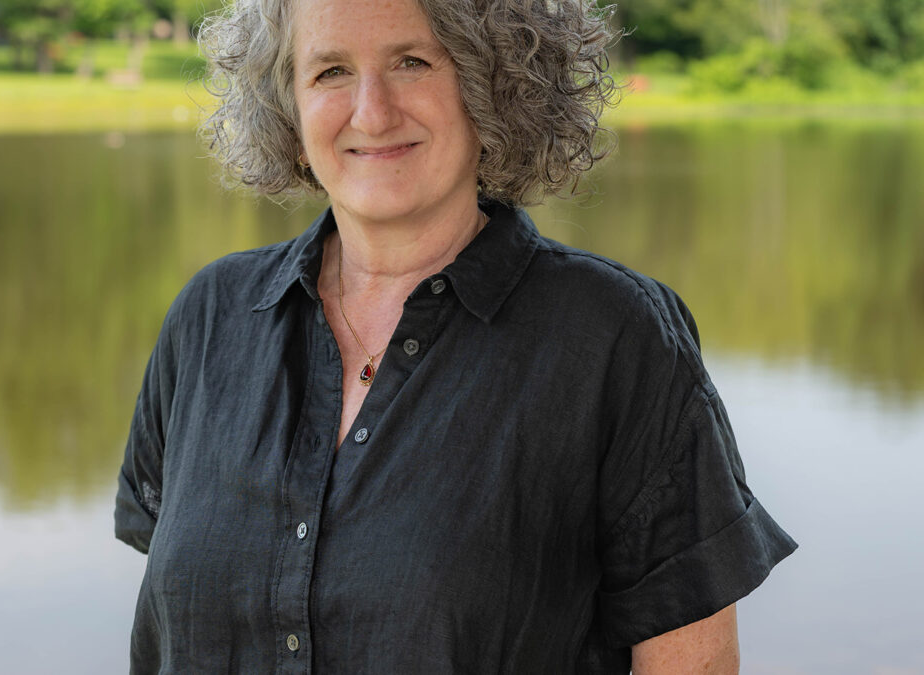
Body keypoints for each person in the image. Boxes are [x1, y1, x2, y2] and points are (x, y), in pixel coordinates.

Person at [114, 0, 797, 671]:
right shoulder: (209, 317)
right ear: (287, 103)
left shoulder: (617, 337)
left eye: (412, 61)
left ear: (493, 79)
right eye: (330, 72)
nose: (372, 112)